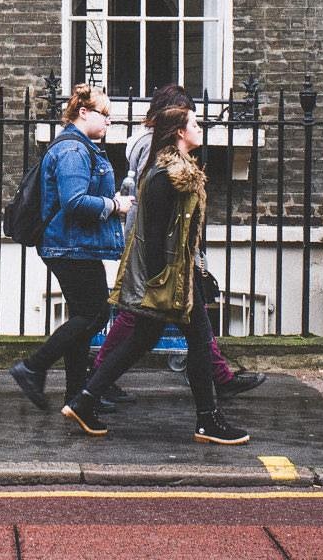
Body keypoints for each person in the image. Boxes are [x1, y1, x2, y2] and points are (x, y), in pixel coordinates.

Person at [62, 105, 247, 444]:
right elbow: (155, 234)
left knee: (140, 341)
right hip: (170, 280)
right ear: (179, 131)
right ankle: (208, 420)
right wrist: (165, 281)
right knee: (200, 343)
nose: (199, 127)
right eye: (194, 123)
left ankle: (85, 400)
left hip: (178, 275)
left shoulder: (177, 171)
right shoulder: (166, 174)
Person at [97, 85, 261, 406]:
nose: (199, 126)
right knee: (139, 322)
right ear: (176, 122)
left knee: (187, 326)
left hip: (168, 251)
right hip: (159, 252)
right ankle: (95, 381)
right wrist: (176, 259)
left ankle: (218, 380)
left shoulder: (155, 146)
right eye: (193, 120)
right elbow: (158, 203)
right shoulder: (154, 147)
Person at [9, 85, 129, 411]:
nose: (108, 123)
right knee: (95, 313)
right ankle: (33, 367)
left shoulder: (80, 147)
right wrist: (114, 204)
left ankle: (77, 395)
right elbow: (74, 201)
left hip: (74, 244)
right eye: (104, 115)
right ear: (84, 112)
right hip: (69, 246)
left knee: (83, 315)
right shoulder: (73, 151)